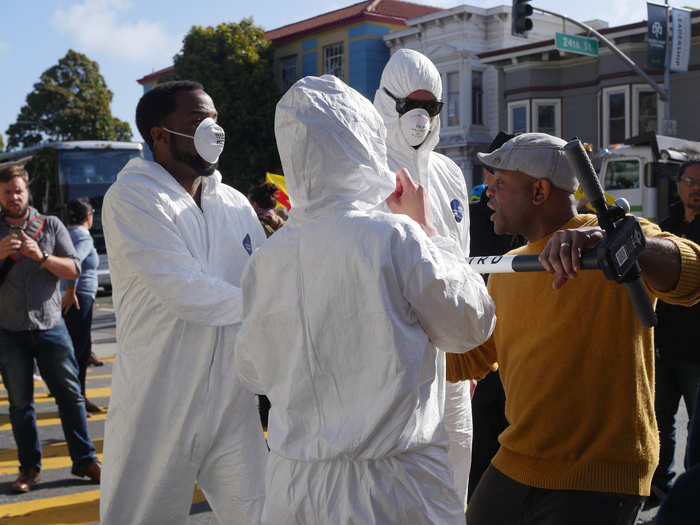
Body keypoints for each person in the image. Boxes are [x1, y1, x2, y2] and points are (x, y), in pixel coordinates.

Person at [235, 75, 496, 525]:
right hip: (395, 487)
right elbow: (470, 323)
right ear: (365, 140)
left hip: (293, 485)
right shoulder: (397, 237)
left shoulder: (268, 258)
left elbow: (252, 371)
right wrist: (429, 232)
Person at [446, 132, 700, 525]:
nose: (487, 194)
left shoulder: (608, 238)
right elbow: (471, 357)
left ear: (538, 192)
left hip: (597, 474)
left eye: (499, 184)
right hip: (517, 460)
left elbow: (693, 275)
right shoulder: (507, 267)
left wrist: (623, 243)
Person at [99, 80, 268, 525]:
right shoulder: (134, 198)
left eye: (214, 120)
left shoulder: (233, 203)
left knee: (266, 514)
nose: (212, 130)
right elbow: (186, 292)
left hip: (233, 401)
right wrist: (276, 304)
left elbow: (267, 275)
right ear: (159, 135)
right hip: (159, 402)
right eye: (196, 122)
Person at [374, 48, 474, 509]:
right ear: (384, 102)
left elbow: (465, 264)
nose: (420, 118)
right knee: (396, 486)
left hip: (450, 358)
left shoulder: (451, 175)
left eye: (430, 108)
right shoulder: (366, 173)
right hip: (392, 358)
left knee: (456, 468)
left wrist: (469, 352)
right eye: (408, 106)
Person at [0, 164, 101, 493]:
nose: (13, 196)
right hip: (9, 329)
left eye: (18, 190)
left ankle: (85, 459)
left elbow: (73, 268)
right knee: (20, 404)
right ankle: (29, 469)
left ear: (27, 191)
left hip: (50, 324)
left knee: (71, 396)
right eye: (7, 192)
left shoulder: (51, 225)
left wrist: (41, 255)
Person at [649, 160, 700, 507]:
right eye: (690, 181)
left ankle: (692, 495)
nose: (695, 188)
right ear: (679, 185)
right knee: (660, 422)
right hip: (664, 347)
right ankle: (659, 490)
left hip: (698, 351)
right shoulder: (663, 230)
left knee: (698, 430)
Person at [61, 197, 104, 416]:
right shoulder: (83, 236)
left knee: (74, 350)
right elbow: (74, 262)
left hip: (71, 296)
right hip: (79, 297)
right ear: (89, 216)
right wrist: (71, 290)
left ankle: (76, 398)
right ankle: (77, 401)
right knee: (80, 351)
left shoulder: (66, 233)